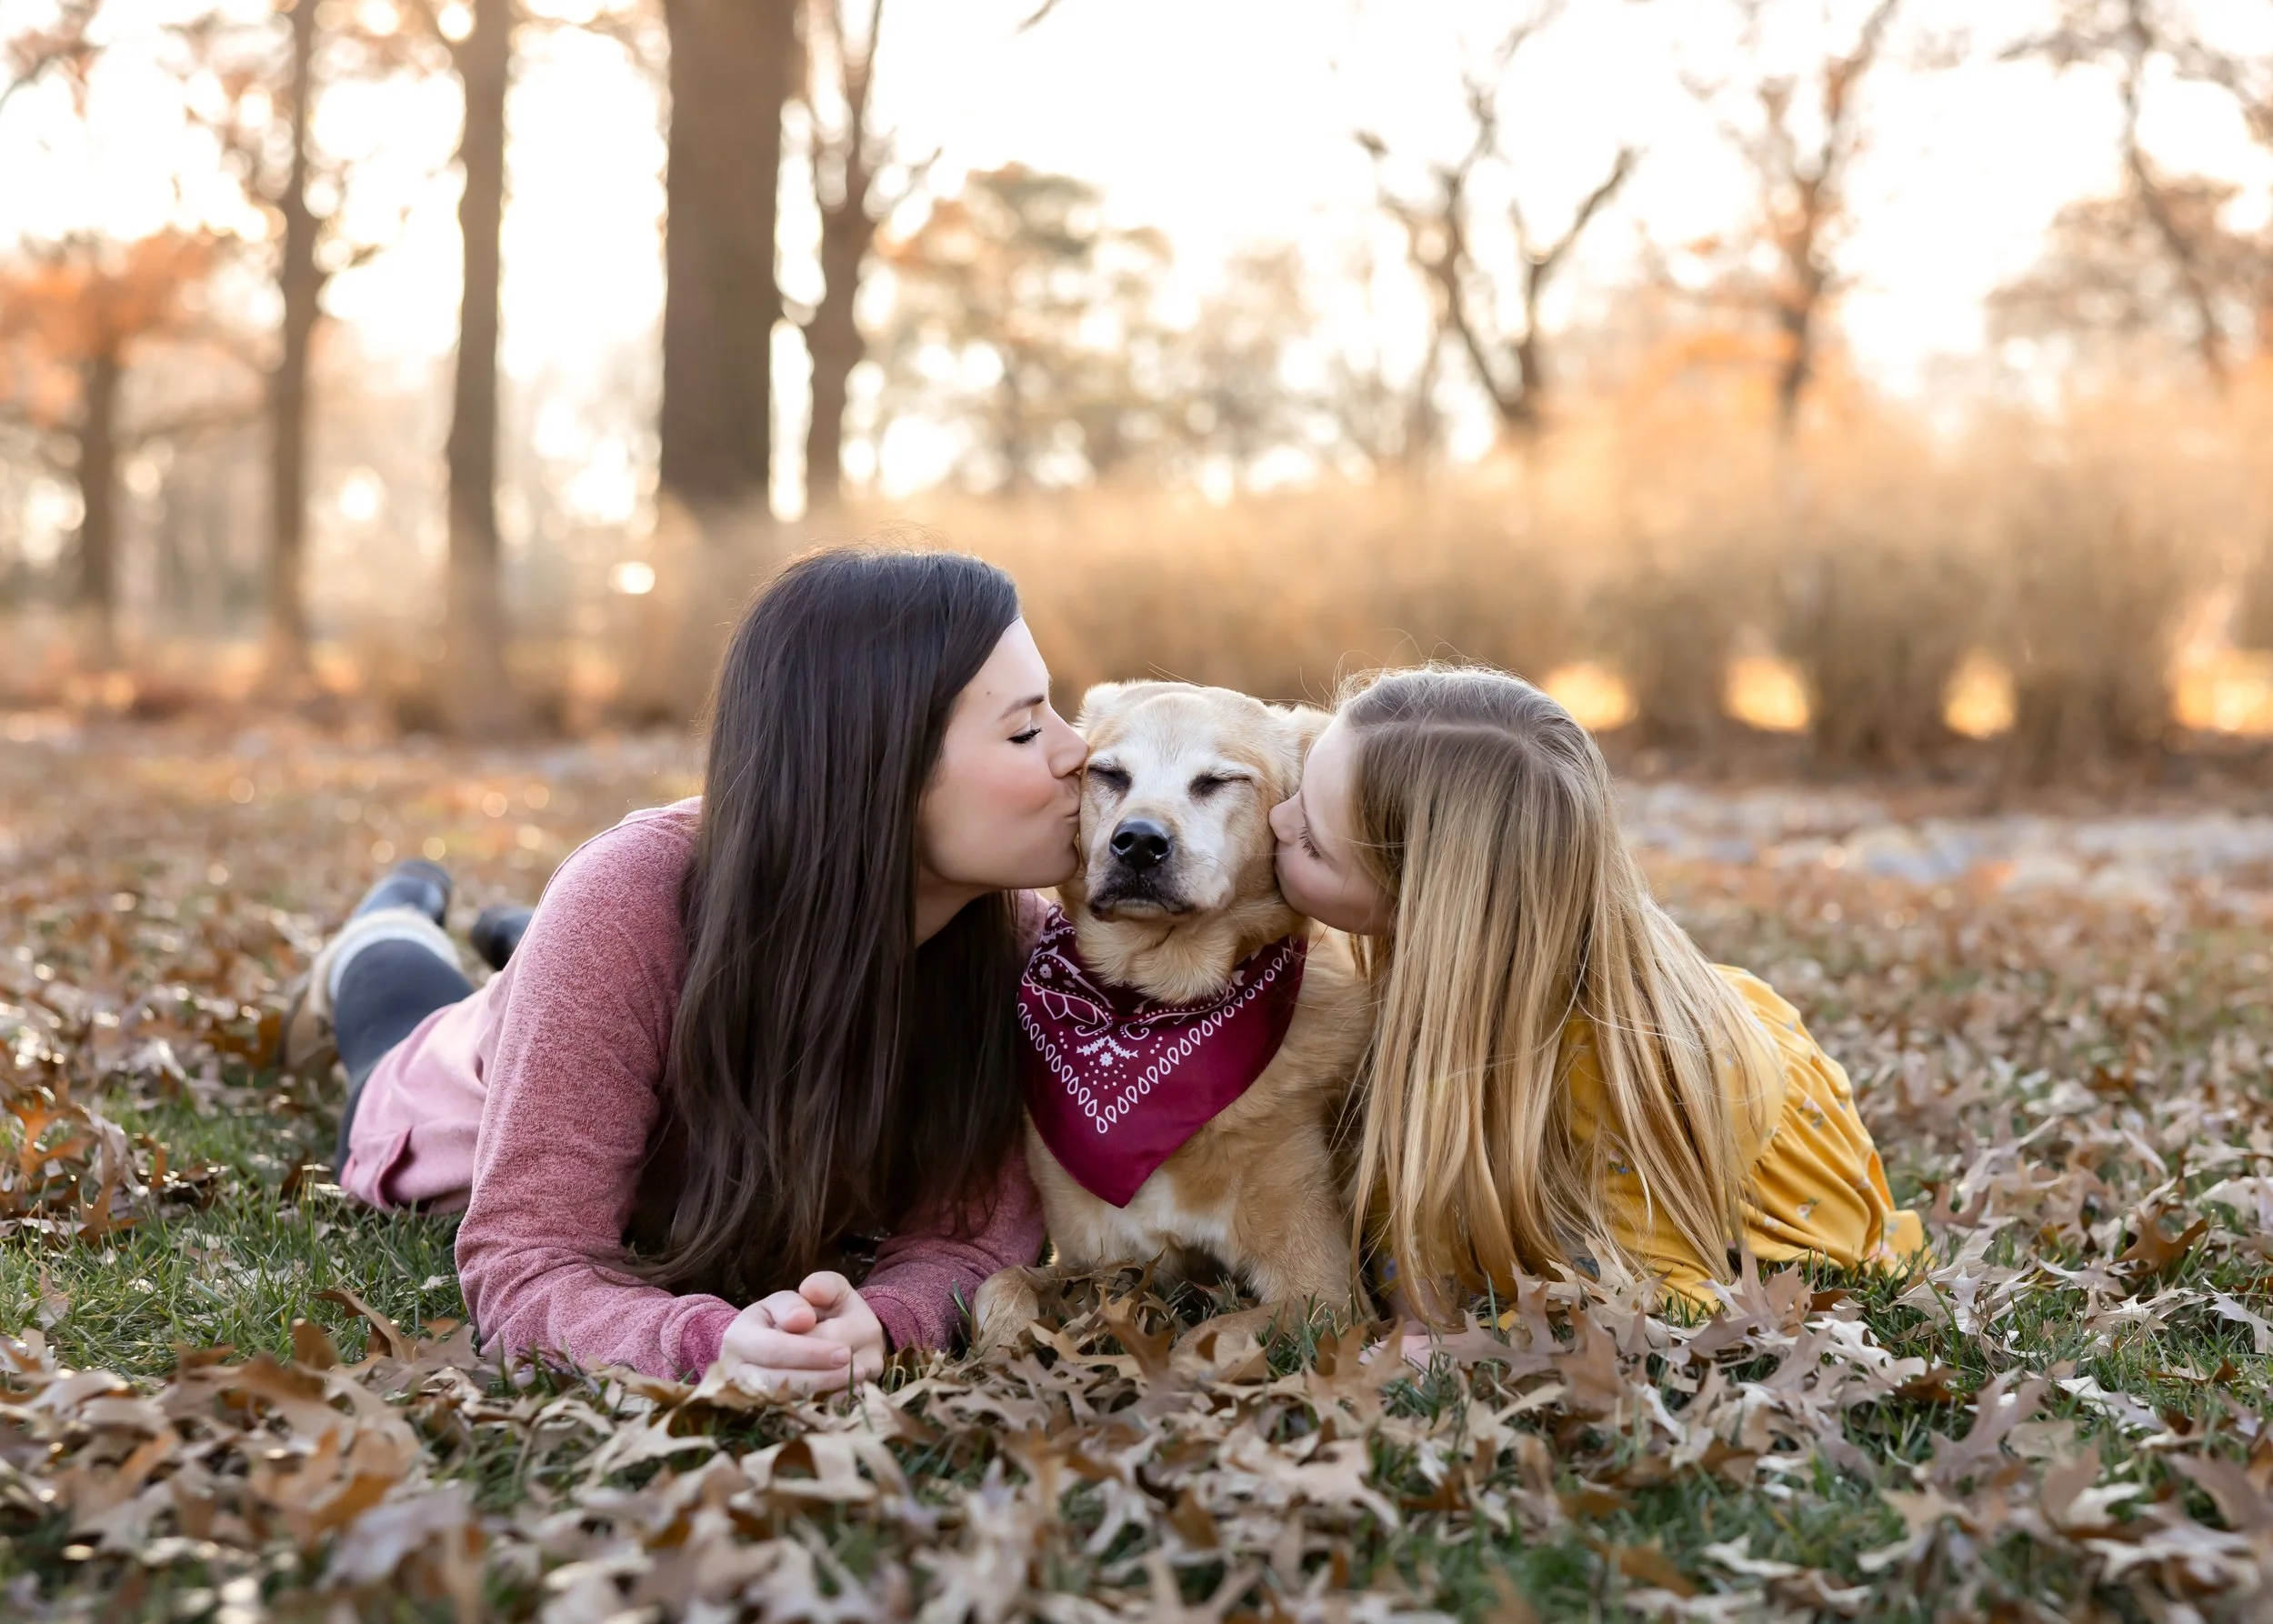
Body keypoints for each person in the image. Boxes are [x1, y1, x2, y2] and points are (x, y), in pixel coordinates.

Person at [282, 548, 1087, 1390]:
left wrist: (888, 1322)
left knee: (583, 961)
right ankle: (395, 908)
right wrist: (707, 1345)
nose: (1080, 751)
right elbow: (527, 1262)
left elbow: (976, 1240)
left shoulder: (1023, 951)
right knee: (394, 993)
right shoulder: (620, 902)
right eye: (1028, 729)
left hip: (623, 975)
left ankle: (516, 942)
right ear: (879, 765)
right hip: (448, 1089)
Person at [1267, 664, 1924, 1336]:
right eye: (1297, 789)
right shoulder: (1462, 974)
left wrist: (1456, 1339)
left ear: (1429, 910)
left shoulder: (1620, 1080)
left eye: (1314, 843)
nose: (1276, 820)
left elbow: (1663, 1306)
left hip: (1708, 1147)